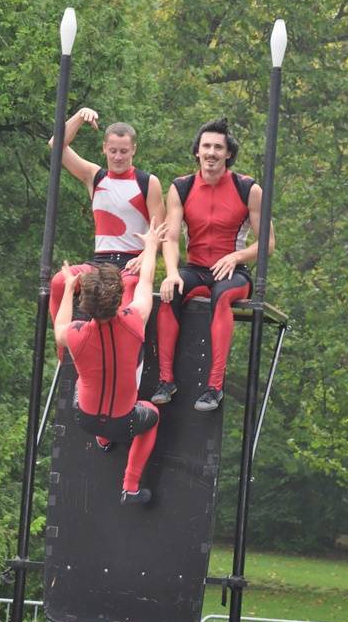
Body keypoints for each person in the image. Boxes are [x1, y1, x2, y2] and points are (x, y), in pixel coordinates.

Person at [152, 117, 275, 412]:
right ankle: (166, 381)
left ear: (228, 153)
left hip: (233, 272)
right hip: (195, 268)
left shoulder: (248, 188)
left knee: (221, 296)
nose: (211, 153)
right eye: (206, 146)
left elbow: (268, 243)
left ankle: (214, 387)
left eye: (218, 148)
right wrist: (171, 273)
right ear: (197, 151)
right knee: (169, 293)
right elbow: (170, 237)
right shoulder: (181, 187)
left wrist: (236, 257)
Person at [54, 218, 167, 506]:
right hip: (124, 422)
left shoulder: (75, 334)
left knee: (82, 377)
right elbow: (146, 281)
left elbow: (59, 328)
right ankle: (130, 486)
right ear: (118, 300)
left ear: (85, 304)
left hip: (84, 419)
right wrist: (151, 246)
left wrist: (68, 288)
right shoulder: (135, 320)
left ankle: (103, 441)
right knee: (152, 414)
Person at [48, 108, 165, 352]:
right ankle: (65, 350)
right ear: (104, 149)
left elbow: (161, 233)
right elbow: (56, 145)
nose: (118, 157)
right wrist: (80, 116)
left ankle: (120, 355)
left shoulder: (147, 182)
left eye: (124, 151)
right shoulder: (95, 176)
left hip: (131, 263)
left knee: (125, 298)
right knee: (60, 281)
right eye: (113, 151)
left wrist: (145, 256)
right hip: (99, 262)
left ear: (133, 150)